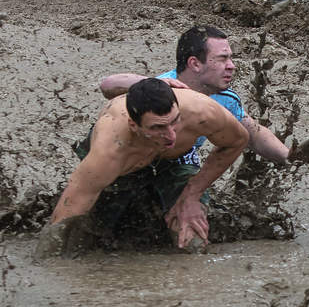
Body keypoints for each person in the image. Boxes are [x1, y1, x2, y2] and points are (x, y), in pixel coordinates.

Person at [36, 79, 249, 257]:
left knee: (191, 240)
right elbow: (64, 219)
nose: (171, 135)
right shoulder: (109, 149)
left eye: (174, 122)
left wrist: (192, 194)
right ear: (134, 126)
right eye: (158, 128)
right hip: (124, 170)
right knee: (85, 239)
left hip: (174, 163)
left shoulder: (201, 111)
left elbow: (238, 140)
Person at [97, 26, 309, 166]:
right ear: (194, 63)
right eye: (222, 59)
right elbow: (108, 85)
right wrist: (148, 82)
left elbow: (254, 135)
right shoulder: (159, 89)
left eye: (230, 58)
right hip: (130, 156)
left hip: (179, 162)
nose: (232, 66)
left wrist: (290, 156)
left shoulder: (225, 98)